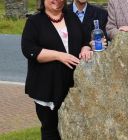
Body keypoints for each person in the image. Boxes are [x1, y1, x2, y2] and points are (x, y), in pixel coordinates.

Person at [21, 0, 92, 139]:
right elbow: (29, 50)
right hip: (47, 88)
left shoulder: (71, 17)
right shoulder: (34, 22)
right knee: (51, 131)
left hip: (73, 87)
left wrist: (86, 48)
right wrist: (59, 56)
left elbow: (85, 39)